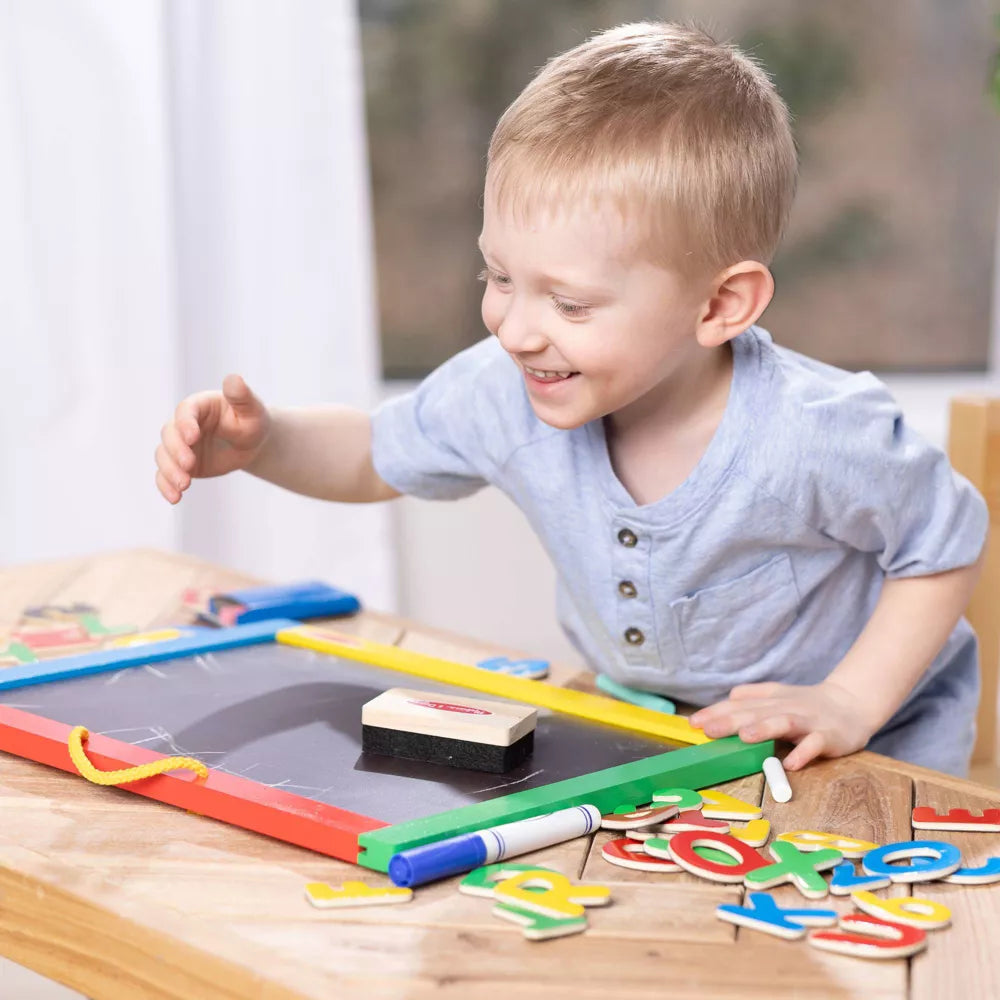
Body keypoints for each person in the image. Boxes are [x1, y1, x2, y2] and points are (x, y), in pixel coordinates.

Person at [154, 22, 987, 777]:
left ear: (719, 306)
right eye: (500, 276)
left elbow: (943, 543)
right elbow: (376, 452)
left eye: (572, 303)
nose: (516, 329)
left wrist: (848, 701)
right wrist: (265, 446)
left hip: (863, 748)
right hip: (659, 734)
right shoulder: (508, 387)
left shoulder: (810, 433)